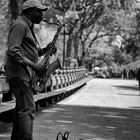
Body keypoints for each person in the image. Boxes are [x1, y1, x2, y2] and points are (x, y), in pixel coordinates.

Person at [6, 0, 51, 139]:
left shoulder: (27, 26)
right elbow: (13, 51)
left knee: (22, 109)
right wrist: (35, 66)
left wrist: (46, 50)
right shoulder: (20, 25)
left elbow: (31, 52)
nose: (41, 14)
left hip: (24, 74)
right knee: (27, 110)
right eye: (39, 11)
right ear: (29, 11)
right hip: (20, 74)